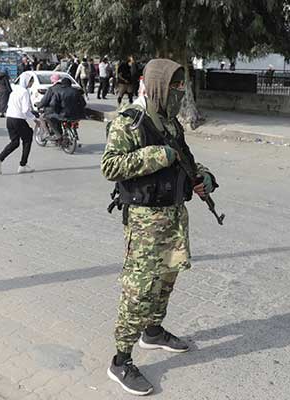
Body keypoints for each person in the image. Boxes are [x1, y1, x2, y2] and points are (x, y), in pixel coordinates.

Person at [102, 59, 217, 396]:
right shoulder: (130, 122)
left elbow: (186, 160)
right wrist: (157, 155)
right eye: (175, 87)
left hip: (174, 218)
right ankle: (120, 360)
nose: (180, 92)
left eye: (182, 86)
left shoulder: (170, 123)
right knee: (139, 290)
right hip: (145, 222)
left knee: (167, 279)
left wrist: (204, 178)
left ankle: (152, 331)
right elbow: (110, 166)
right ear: (157, 87)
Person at [0, 73, 36, 175]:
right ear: (27, 81)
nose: (32, 83)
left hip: (9, 119)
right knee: (28, 138)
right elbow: (25, 110)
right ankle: (23, 165)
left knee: (15, 142)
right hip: (18, 120)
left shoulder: (15, 91)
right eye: (31, 81)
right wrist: (34, 118)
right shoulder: (24, 92)